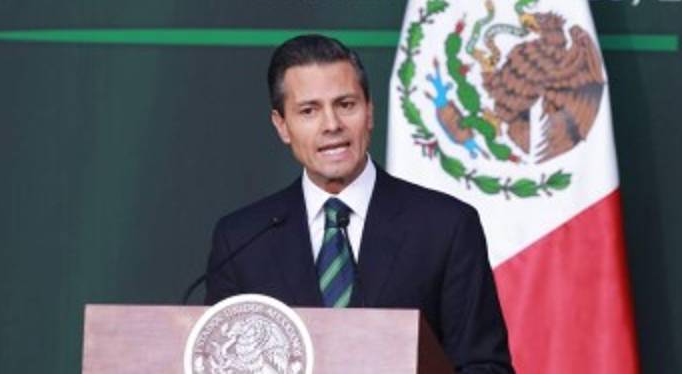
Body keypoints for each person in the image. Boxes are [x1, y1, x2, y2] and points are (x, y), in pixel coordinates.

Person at [203, 34, 513, 373]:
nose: (332, 125)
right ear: (282, 126)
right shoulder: (242, 240)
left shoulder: (446, 227)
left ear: (370, 112)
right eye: (309, 111)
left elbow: (485, 367)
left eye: (346, 105)